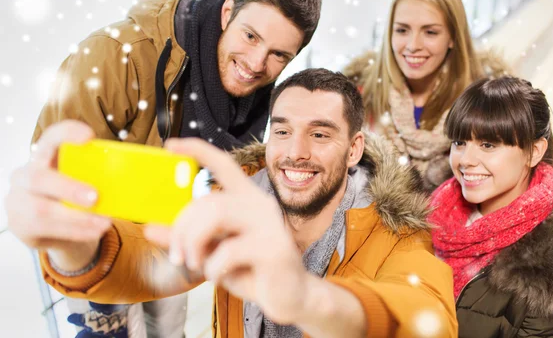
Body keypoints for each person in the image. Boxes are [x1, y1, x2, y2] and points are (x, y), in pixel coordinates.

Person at [8, 69, 458, 337]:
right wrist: (75, 244)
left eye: (320, 134)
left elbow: (426, 320)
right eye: (282, 131)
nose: (295, 151)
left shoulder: (397, 232)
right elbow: (151, 258)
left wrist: (307, 299)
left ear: (355, 148)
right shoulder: (240, 203)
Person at [30, 0, 322, 337]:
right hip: (100, 237)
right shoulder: (117, 55)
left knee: (169, 332)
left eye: (279, 55)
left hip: (172, 231)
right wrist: (100, 272)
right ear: (228, 12)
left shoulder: (259, 99)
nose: (256, 63)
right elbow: (58, 166)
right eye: (250, 36)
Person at [428, 76, 553, 337]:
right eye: (459, 142)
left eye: (488, 145)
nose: (466, 160)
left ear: (534, 151)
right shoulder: (427, 209)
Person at [344, 0, 509, 191]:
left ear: (453, 37)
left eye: (430, 32)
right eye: (402, 30)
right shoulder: (356, 98)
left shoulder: (489, 105)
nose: (413, 45)